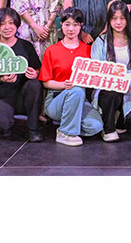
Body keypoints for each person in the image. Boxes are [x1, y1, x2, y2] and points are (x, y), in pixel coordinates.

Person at [40, 8, 102, 146]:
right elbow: (46, 83)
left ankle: (68, 121)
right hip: (56, 98)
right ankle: (66, 132)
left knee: (96, 126)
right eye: (67, 24)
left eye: (75, 25)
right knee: (76, 90)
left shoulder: (88, 50)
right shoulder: (52, 50)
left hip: (80, 99)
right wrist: (64, 85)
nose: (71, 29)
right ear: (61, 25)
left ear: (81, 26)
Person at [0, 8, 43, 141]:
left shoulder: (26, 46)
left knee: (35, 84)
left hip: (21, 96)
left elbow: (38, 69)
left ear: (17, 25)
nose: (7, 27)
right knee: (2, 125)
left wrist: (34, 73)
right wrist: (1, 79)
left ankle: (33, 129)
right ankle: (5, 121)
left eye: (11, 23)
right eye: (2, 24)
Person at [91, 2, 131, 141]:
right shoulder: (101, 41)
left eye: (122, 18)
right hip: (107, 89)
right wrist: (114, 79)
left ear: (127, 19)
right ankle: (108, 129)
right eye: (114, 18)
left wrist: (127, 81)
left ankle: (118, 119)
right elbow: (96, 69)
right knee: (112, 93)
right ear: (109, 20)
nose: (118, 22)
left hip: (129, 89)